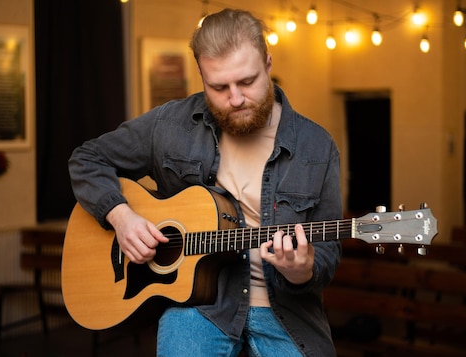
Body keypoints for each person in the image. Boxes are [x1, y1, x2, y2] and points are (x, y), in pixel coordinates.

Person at [68, 8, 342, 357]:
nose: (236, 98)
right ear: (201, 75)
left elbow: (328, 253)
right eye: (219, 87)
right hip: (199, 305)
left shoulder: (317, 146)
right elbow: (86, 158)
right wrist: (121, 217)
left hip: (289, 312)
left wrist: (304, 269)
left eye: (247, 82)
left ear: (268, 65)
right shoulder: (170, 124)